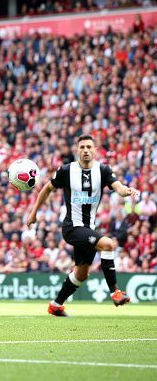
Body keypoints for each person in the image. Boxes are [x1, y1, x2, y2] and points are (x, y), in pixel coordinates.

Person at [27, 135, 140, 316]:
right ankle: (115, 292)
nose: (86, 150)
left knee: (81, 274)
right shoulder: (66, 170)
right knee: (108, 244)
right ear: (77, 150)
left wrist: (127, 191)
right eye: (82, 147)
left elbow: (118, 187)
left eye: (89, 147)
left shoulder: (103, 170)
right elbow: (47, 188)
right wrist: (34, 213)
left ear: (94, 150)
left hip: (88, 229)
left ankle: (56, 305)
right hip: (72, 227)